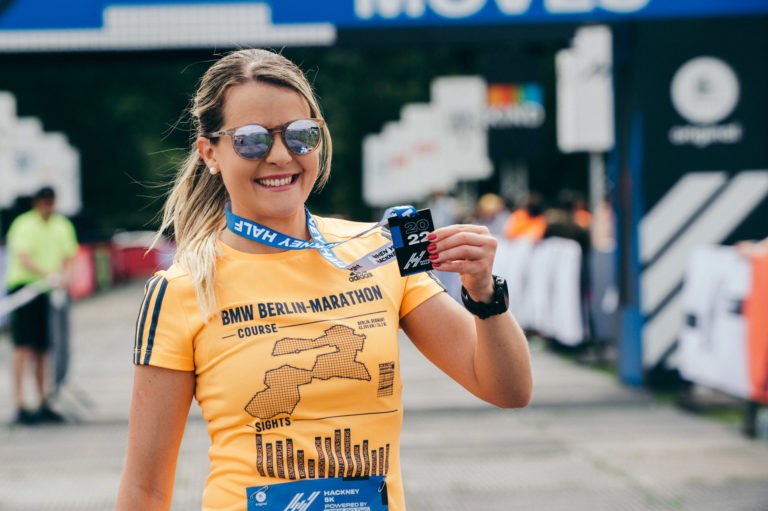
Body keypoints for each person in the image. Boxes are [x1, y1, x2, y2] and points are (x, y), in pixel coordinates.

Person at [116, 49, 532, 511]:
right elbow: (145, 490)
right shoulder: (181, 288)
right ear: (210, 152)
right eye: (252, 140)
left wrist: (484, 292)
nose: (280, 156)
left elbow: (507, 390)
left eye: (300, 135)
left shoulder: (380, 251)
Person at [4, 186, 78, 425]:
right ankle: (20, 404)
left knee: (44, 349)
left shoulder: (62, 225)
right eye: (45, 203)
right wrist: (50, 275)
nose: (48, 207)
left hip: (49, 292)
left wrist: (63, 278)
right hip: (26, 289)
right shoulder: (24, 225)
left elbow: (70, 256)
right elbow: (24, 257)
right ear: (37, 203)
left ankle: (43, 400)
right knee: (23, 347)